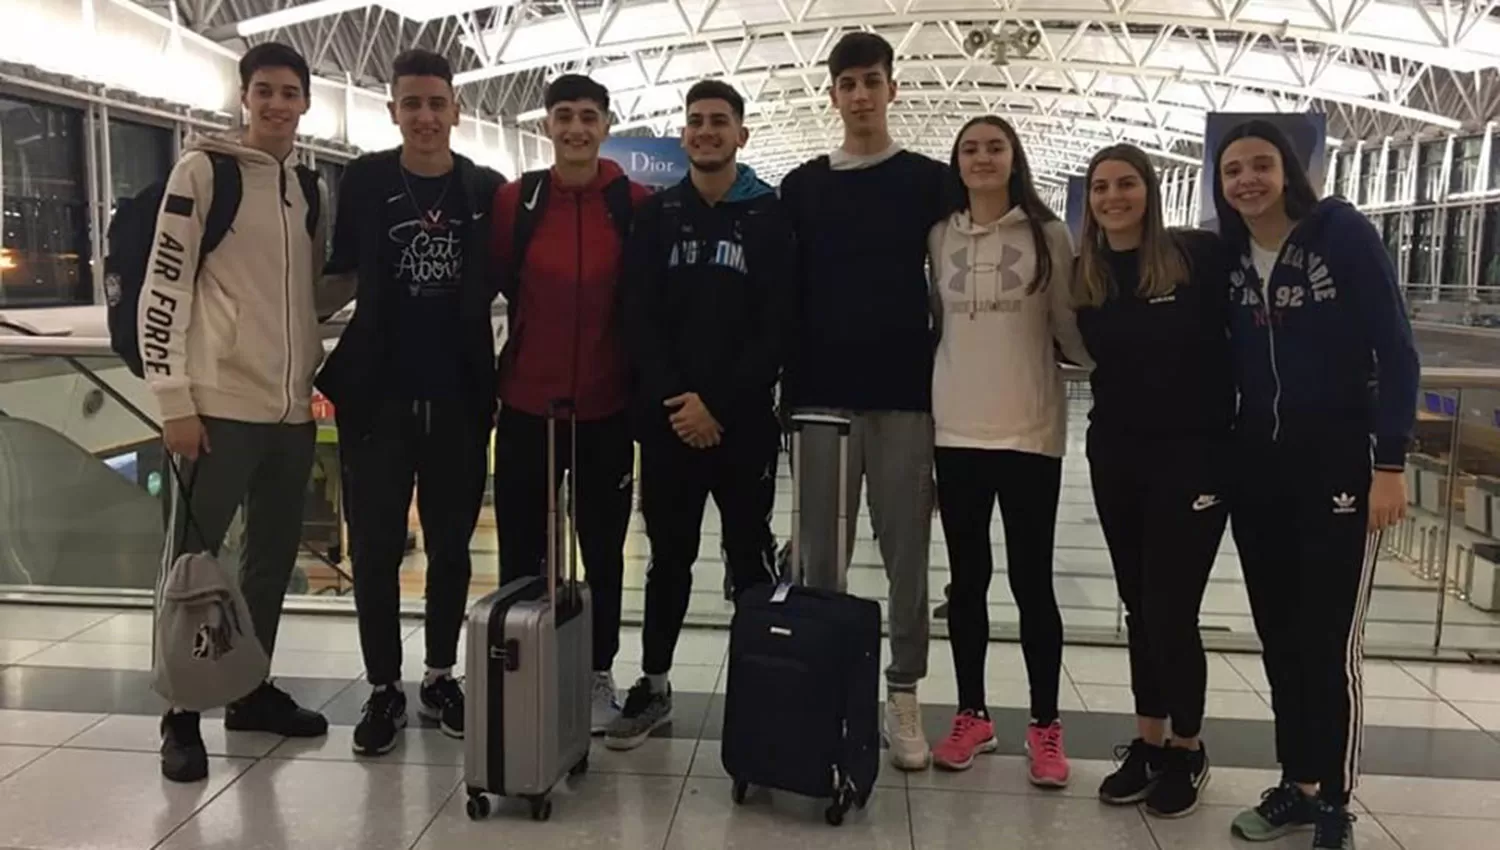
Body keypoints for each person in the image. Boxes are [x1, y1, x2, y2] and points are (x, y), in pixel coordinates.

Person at [1213, 120, 1418, 850]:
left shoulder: (1344, 235)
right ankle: (1295, 786)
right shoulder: (1230, 254)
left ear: (1289, 171)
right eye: (1233, 169)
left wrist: (1389, 464)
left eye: (1261, 165)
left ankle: (1335, 799)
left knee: (1329, 644)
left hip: (1338, 466)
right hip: (1259, 471)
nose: (1247, 180)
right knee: (1279, 638)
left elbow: (1397, 352)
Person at [142, 42, 334, 783]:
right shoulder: (206, 172)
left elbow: (301, 296)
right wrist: (174, 399)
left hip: (289, 411)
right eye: (265, 91)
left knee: (269, 561)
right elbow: (167, 286)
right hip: (216, 407)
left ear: (306, 102)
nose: (278, 104)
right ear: (244, 97)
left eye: (290, 92)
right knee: (190, 563)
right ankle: (180, 714)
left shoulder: (307, 188)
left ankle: (250, 690)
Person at [315, 49, 506, 756]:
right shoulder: (364, 180)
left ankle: (438, 675)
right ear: (393, 111)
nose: (425, 117)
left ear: (456, 110)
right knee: (375, 547)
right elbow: (336, 277)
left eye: (437, 103)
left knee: (452, 546)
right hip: (378, 395)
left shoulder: (484, 188)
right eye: (411, 104)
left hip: (458, 394)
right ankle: (383, 686)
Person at [777, 30, 949, 773]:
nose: (860, 96)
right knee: (820, 558)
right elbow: (783, 294)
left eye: (871, 81)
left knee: (907, 556)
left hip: (905, 396)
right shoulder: (804, 185)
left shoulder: (928, 181)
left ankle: (903, 692)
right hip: (820, 398)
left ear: (891, 89)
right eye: (847, 84)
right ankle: (820, 683)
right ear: (834, 95)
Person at [607, 80, 795, 751]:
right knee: (669, 560)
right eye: (695, 122)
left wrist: (718, 403)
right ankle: (654, 685)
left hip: (742, 425)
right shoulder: (657, 217)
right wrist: (680, 401)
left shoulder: (769, 216)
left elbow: (777, 326)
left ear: (741, 134)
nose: (706, 131)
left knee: (750, 561)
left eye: (719, 121)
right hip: (669, 423)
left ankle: (766, 694)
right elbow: (639, 317)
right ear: (683, 136)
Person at [923, 116, 1091, 784]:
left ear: (1013, 158)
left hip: (1030, 432)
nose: (983, 158)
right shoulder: (938, 237)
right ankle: (973, 714)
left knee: (1032, 583)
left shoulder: (1048, 235)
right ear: (956, 163)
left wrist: (1129, 367)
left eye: (995, 148)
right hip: (956, 430)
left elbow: (1069, 328)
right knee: (967, 583)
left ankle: (1046, 725)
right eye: (970, 149)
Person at [1072, 144, 1233, 818]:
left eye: (1127, 184)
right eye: (1102, 187)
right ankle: (1148, 740)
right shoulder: (1087, 274)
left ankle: (1187, 747)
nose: (1114, 197)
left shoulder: (1196, 256)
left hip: (1193, 457)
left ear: (1150, 190)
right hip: (1116, 454)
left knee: (1173, 609)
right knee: (1140, 606)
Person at [490, 73, 651, 733]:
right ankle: (515, 664)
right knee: (522, 547)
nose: (576, 128)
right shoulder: (517, 201)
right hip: (528, 405)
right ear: (547, 125)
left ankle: (595, 672)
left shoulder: (633, 203)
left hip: (607, 408)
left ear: (606, 125)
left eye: (588, 116)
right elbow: (496, 282)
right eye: (564, 116)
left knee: (604, 549)